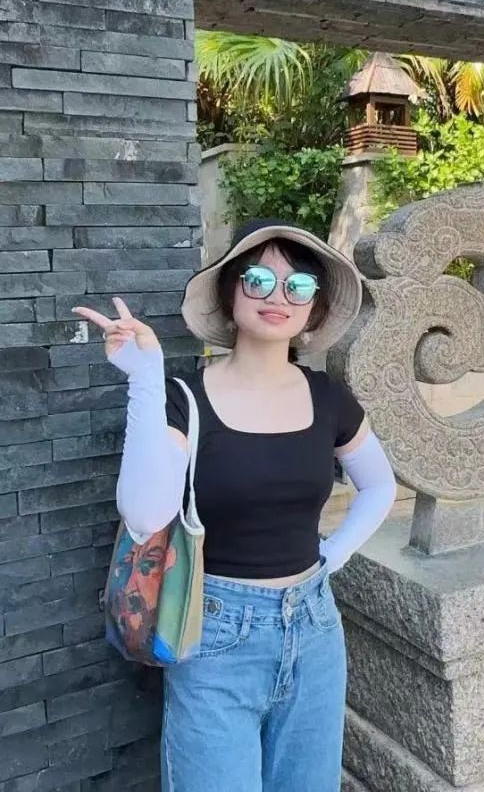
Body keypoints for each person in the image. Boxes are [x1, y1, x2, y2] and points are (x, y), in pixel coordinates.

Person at [73, 218, 397, 792]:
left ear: (313, 309)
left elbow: (379, 487)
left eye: (299, 285)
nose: (278, 296)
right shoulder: (186, 397)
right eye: (258, 279)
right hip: (215, 636)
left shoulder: (328, 398)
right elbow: (145, 514)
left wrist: (334, 554)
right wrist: (145, 379)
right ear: (229, 292)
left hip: (315, 630)